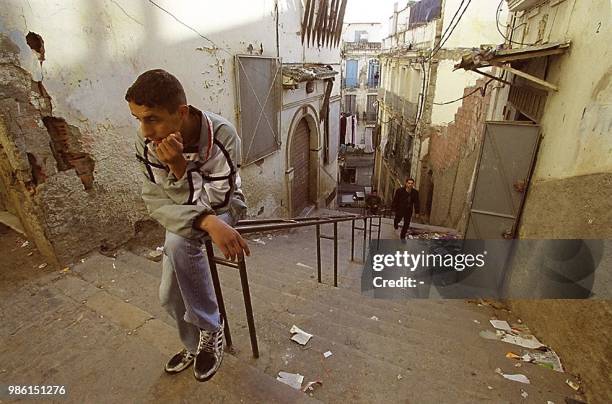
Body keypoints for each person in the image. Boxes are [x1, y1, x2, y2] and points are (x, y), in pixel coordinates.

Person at [126, 69, 250, 382]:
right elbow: (155, 203)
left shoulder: (222, 135)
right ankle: (195, 345)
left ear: (181, 113)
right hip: (191, 213)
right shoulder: (148, 142)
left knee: (179, 243)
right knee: (168, 296)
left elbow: (220, 201)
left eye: (151, 118)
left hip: (227, 206)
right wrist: (202, 218)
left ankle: (210, 328)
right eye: (138, 119)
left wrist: (180, 170)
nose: (144, 130)